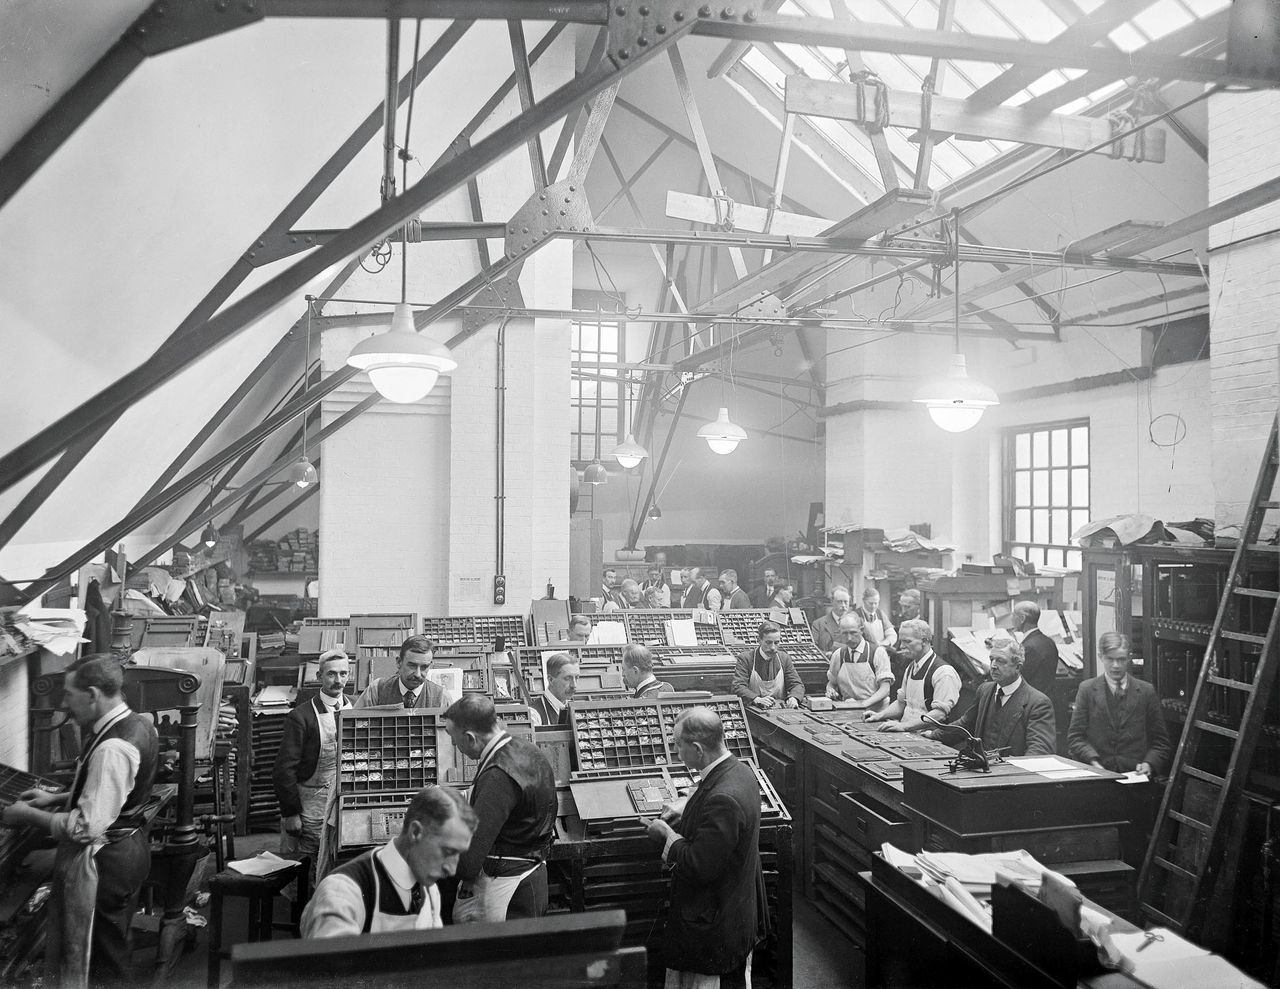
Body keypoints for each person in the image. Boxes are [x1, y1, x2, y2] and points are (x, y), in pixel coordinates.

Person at [1, 655, 158, 988]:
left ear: (92, 694)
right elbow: (112, 792)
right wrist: (56, 799)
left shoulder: (113, 747)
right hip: (128, 848)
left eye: (69, 694)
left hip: (107, 863)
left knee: (103, 962)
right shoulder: (137, 722)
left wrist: (26, 814)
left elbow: (86, 827)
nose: (63, 703)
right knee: (112, 947)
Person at [645, 707, 766, 989]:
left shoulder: (724, 799)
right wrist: (687, 803)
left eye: (678, 745)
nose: (675, 752)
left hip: (714, 926)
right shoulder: (740, 770)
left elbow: (699, 864)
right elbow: (710, 788)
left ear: (698, 749)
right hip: (735, 913)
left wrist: (665, 836)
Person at [301, 785, 477, 937]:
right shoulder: (343, 892)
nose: (452, 869)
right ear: (415, 832)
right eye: (448, 851)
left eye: (459, 854)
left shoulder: (429, 889)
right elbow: (332, 972)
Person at [443, 695, 558, 922]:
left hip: (507, 892)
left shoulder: (498, 775)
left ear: (470, 738)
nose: (455, 746)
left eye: (454, 739)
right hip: (531, 874)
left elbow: (468, 865)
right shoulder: (525, 749)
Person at [274, 649, 352, 888]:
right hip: (311, 804)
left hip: (344, 802)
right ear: (319, 676)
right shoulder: (301, 716)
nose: (337, 680)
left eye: (343, 673)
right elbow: (283, 769)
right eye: (331, 674)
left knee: (339, 864)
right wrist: (290, 813)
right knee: (309, 867)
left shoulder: (354, 708)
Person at [1068, 632, 1172, 776]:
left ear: (1129, 658)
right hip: (1097, 777)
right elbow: (1075, 737)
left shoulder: (1146, 691)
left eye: (1121, 659)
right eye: (1110, 659)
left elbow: (1161, 742)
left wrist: (1149, 763)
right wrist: (1093, 762)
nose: (1116, 665)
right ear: (1100, 657)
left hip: (1135, 779)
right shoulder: (1087, 690)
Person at [954, 638, 1056, 757]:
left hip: (1012, 773)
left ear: (1018, 667)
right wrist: (931, 735)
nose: (993, 666)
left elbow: (1039, 751)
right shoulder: (985, 691)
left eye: (1000, 661)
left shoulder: (1038, 703)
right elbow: (965, 724)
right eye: (991, 659)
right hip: (981, 770)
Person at [865, 619, 962, 733]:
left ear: (924, 641)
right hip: (908, 732)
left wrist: (904, 726)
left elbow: (939, 715)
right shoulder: (911, 667)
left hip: (930, 737)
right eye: (901, 641)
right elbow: (901, 704)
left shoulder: (944, 673)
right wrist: (879, 715)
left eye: (907, 641)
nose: (901, 646)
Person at [354, 635, 453, 709]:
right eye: (412, 665)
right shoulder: (376, 690)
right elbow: (353, 725)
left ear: (430, 666)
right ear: (399, 662)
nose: (418, 674)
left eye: (424, 667)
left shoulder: (442, 697)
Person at [824, 616, 893, 711]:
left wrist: (862, 705)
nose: (849, 638)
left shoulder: (877, 653)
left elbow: (885, 689)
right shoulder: (838, 655)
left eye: (853, 633)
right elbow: (832, 683)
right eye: (844, 633)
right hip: (848, 709)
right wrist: (830, 690)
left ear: (861, 630)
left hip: (876, 711)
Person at [732, 621, 805, 710]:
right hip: (755, 710)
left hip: (780, 710)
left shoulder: (784, 658)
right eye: (768, 642)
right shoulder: (746, 658)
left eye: (776, 642)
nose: (773, 647)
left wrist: (794, 697)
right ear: (759, 640)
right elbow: (738, 686)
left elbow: (796, 684)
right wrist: (756, 698)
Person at [1012, 601, 1060, 697]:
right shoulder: (1049, 642)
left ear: (1022, 618)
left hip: (1031, 704)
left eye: (1014, 616)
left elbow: (1015, 679)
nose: (1011, 619)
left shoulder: (1028, 647)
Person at [529, 652, 577, 727]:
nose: (574, 685)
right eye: (567, 678)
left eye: (576, 678)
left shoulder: (574, 709)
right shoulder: (534, 714)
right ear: (551, 680)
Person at [810, 586, 853, 653]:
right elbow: (813, 649)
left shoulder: (856, 623)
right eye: (840, 602)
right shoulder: (818, 624)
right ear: (832, 601)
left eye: (846, 602)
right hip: (827, 662)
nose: (843, 605)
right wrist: (827, 654)